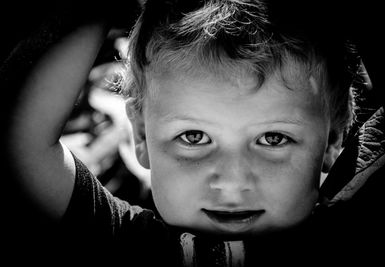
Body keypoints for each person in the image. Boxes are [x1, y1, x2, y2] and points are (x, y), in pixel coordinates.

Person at [2, 0, 360, 265]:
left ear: (333, 139)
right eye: (194, 137)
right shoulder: (129, 246)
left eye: (273, 138)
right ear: (140, 135)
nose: (231, 183)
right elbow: (19, 141)